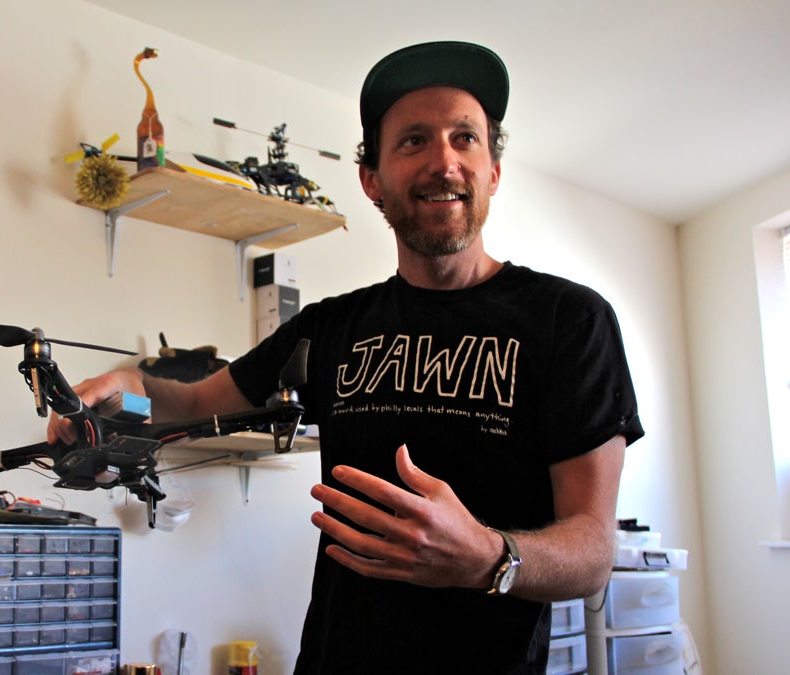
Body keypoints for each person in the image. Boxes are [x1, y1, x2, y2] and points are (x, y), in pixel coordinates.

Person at [49, 41, 644, 674]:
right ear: (372, 181)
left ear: (492, 172)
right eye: (414, 141)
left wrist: (487, 557)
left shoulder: (569, 320)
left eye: (465, 138)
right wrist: (125, 389)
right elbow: (194, 403)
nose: (445, 161)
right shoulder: (331, 327)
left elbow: (592, 550)